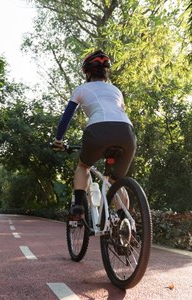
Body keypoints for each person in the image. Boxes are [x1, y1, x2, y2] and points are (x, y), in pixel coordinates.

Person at [52, 49, 137, 218]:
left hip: (98, 131)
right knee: (116, 181)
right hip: (127, 133)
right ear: (105, 72)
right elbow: (120, 113)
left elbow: (66, 118)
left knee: (84, 166)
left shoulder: (82, 89)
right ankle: (124, 221)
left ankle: (78, 206)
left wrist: (58, 140)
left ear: (87, 72)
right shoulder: (116, 91)